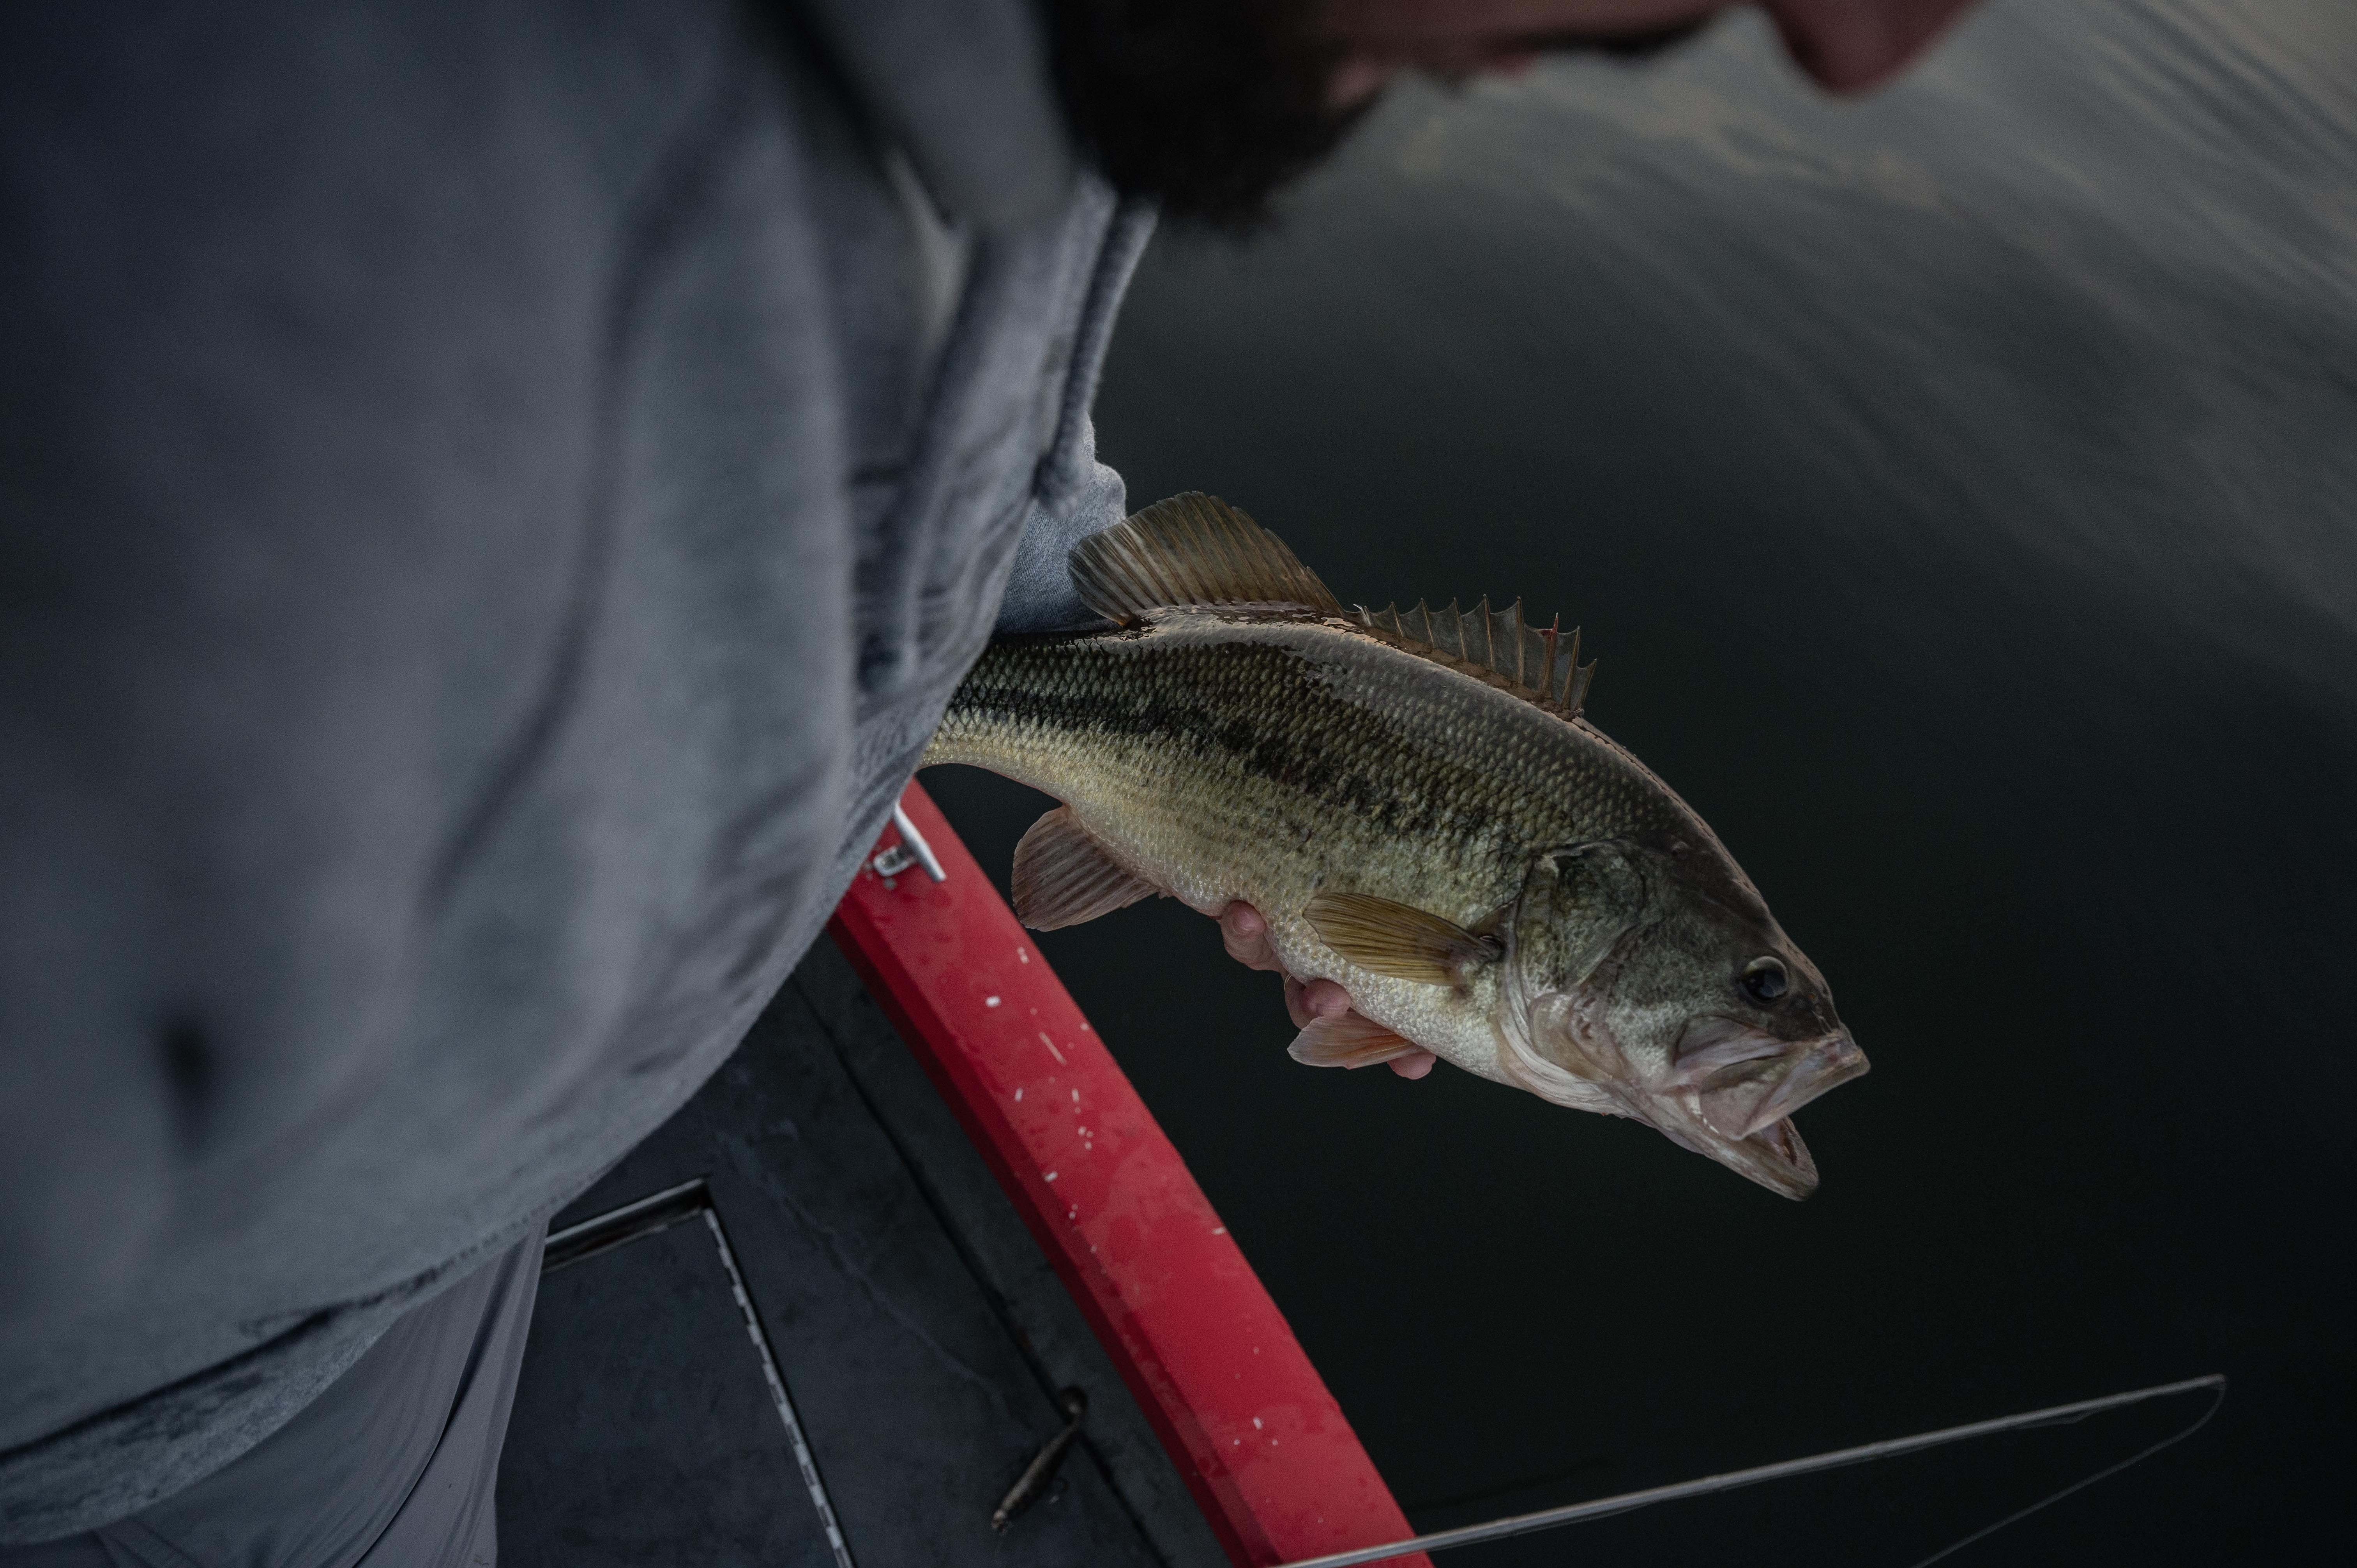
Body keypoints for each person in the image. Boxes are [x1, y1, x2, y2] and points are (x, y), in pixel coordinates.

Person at [0, 2, 1975, 1562]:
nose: (1869, 47)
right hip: (176, 1385)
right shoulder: (244, 227)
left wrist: (1034, 639)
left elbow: (1014, 447)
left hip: (446, 1225)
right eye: (1755, 984)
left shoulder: (1101, 62)